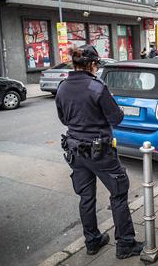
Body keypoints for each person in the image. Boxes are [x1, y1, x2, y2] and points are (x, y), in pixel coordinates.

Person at [55, 44, 143, 259]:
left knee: (86, 197)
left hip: (75, 150)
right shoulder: (97, 87)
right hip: (100, 152)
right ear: (92, 64)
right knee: (119, 193)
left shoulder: (62, 87)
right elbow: (116, 118)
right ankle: (125, 244)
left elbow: (64, 118)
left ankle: (92, 241)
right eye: (96, 65)